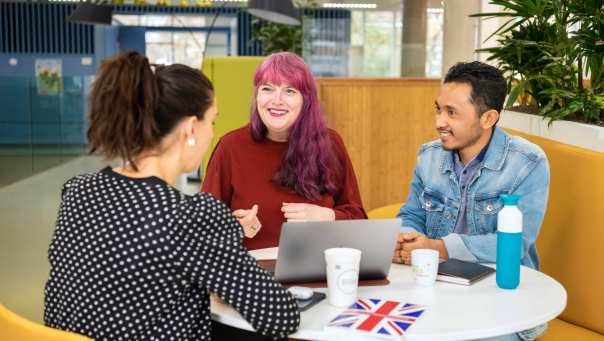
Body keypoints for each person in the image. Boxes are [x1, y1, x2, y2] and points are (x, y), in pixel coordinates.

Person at [43, 51, 300, 341]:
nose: (211, 134)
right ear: (191, 128)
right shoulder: (188, 216)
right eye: (212, 122)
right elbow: (280, 316)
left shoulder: (78, 191)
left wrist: (222, 236)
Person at [393, 61, 549, 340]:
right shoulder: (429, 156)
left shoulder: (528, 162)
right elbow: (412, 214)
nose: (439, 121)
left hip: (503, 302)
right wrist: (406, 238)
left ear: (488, 118)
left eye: (452, 113)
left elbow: (516, 242)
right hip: (435, 291)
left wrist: (439, 247)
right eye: (438, 109)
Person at [202, 52, 367, 250]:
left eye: (289, 91)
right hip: (250, 274)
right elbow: (203, 229)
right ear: (257, 96)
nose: (277, 100)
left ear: (306, 101)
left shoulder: (331, 144)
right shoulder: (230, 147)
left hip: (317, 271)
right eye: (267, 89)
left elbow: (359, 219)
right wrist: (234, 226)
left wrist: (327, 216)